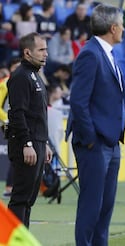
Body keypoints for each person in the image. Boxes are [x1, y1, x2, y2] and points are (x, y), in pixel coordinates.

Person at [65, 4, 125, 245]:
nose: (124, 28)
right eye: (121, 24)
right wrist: (91, 138)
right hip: (95, 143)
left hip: (111, 142)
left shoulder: (107, 54)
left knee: (105, 208)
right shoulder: (90, 54)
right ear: (113, 28)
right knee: (92, 206)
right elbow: (78, 102)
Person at [7, 32, 53, 228]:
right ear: (27, 52)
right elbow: (17, 113)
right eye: (41, 50)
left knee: (28, 199)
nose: (46, 54)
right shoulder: (20, 76)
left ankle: (21, 240)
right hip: (27, 145)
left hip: (38, 142)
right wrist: (27, 143)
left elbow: (38, 114)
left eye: (46, 49)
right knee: (20, 198)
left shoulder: (35, 74)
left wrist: (45, 142)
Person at [0, 57, 21, 198]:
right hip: (8, 124)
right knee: (16, 155)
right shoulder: (5, 83)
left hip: (17, 123)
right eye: (15, 67)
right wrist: (7, 120)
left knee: (18, 156)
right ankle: (9, 188)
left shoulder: (21, 82)